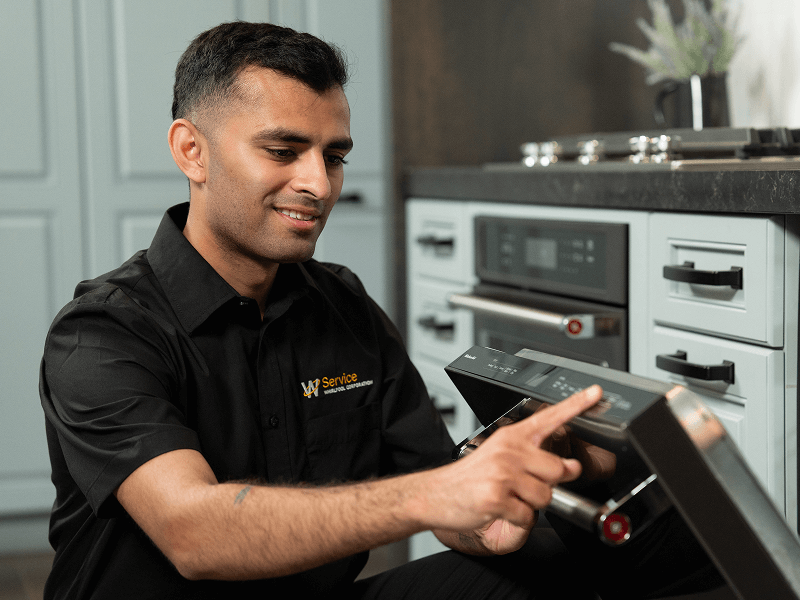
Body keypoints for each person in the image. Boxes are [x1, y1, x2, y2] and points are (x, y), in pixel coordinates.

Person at [38, 20, 608, 599]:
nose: (318, 183)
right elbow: (193, 533)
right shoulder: (102, 333)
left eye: (333, 157)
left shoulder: (344, 306)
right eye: (283, 152)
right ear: (193, 151)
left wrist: (488, 517)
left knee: (554, 569)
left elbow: (440, 490)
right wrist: (436, 495)